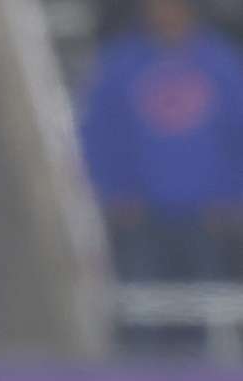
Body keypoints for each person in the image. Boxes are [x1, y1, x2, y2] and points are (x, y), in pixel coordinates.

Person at [80, 0, 243, 283]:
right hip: (140, 218)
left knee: (210, 310)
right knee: (143, 309)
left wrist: (232, 194)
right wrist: (114, 190)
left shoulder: (223, 64)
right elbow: (98, 135)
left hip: (209, 219)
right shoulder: (119, 65)